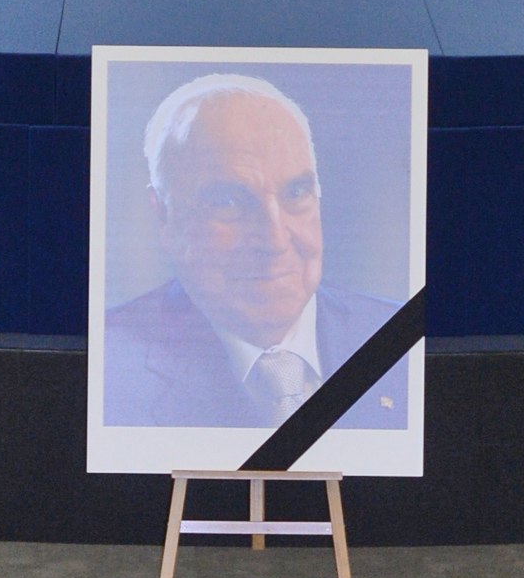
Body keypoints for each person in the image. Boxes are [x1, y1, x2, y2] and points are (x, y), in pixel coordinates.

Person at [101, 71, 405, 431]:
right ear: (164, 215)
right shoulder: (110, 365)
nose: (275, 240)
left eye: (296, 193)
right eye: (229, 202)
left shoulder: (399, 340)